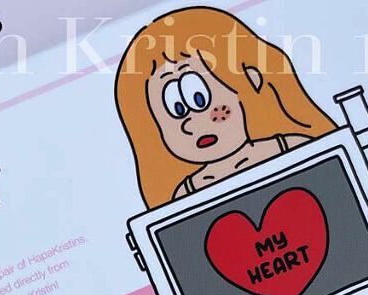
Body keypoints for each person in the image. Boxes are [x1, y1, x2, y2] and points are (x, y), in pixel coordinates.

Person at [116, 7, 336, 207]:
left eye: (199, 98)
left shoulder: (297, 148)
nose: (190, 124)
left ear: (252, 78)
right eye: (177, 109)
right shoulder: (184, 198)